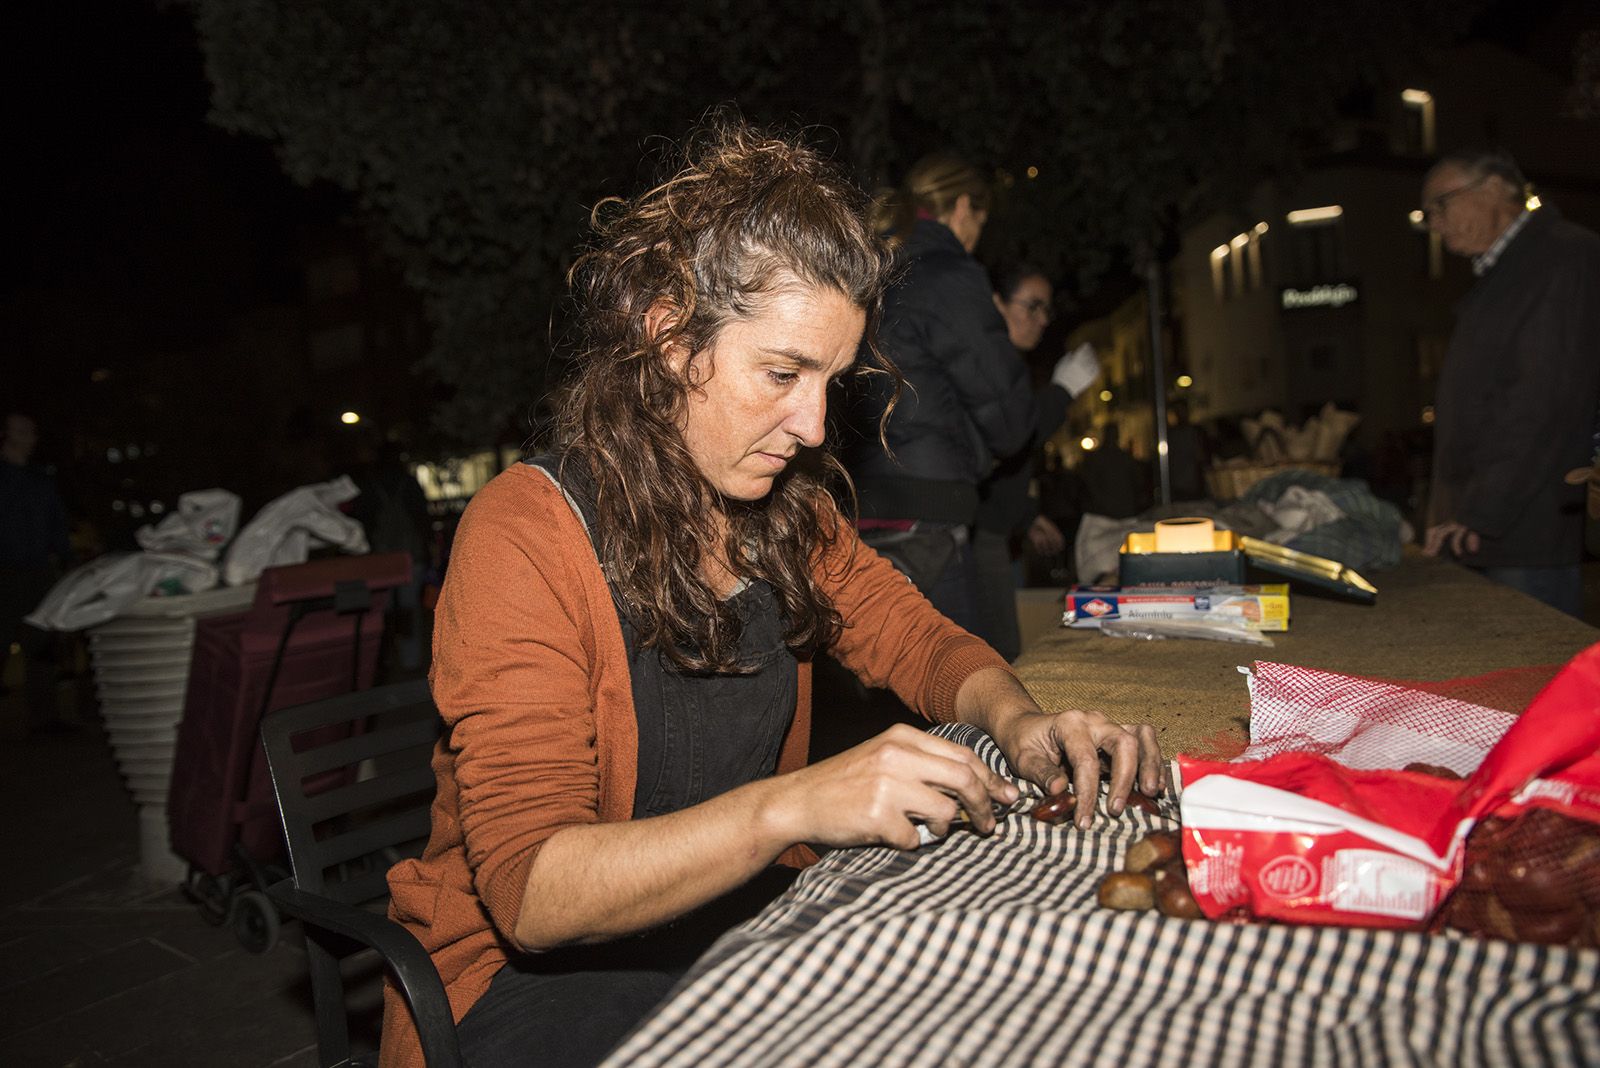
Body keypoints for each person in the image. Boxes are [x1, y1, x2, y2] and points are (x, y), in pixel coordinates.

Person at [381, 120, 1165, 1068]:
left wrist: (1020, 721)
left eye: (832, 380)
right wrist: (791, 807)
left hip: (729, 923)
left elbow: (914, 640)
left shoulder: (782, 509)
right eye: (784, 373)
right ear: (671, 337)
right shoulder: (523, 534)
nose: (812, 423)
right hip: (528, 990)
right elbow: (532, 894)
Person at [842, 153, 1036, 633]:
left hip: (861, 506)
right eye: (980, 221)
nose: (976, 237)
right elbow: (1005, 410)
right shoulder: (948, 274)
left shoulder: (872, 269)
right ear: (965, 206)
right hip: (929, 514)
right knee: (954, 687)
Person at [1420, 148, 1600, 617]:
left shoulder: (1561, 257)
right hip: (1497, 526)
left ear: (1496, 189)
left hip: (1524, 528)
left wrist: (1481, 512)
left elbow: (1543, 400)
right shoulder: (1510, 271)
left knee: (1534, 675)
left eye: (1441, 204)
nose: (1434, 223)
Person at [972, 263, 1073, 659]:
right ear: (998, 304)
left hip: (997, 529)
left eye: (1046, 309)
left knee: (1003, 649)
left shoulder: (1012, 366)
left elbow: (1007, 469)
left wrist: (1027, 515)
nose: (1042, 320)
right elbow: (1009, 441)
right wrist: (1062, 394)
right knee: (999, 655)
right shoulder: (987, 366)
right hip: (979, 533)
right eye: (1032, 307)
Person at [0, 411, 74, 736]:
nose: (31, 433)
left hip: (39, 570)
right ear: (6, 435)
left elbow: (55, 522)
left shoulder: (40, 477)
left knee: (42, 643)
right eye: (22, 429)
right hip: (4, 571)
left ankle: (43, 719)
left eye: (32, 428)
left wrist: (66, 558)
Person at [1078, 422, 1147, 520]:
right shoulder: (1098, 458)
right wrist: (1099, 500)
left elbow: (1136, 479)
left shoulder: (1124, 458)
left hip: (1124, 505)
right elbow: (1090, 482)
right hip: (1104, 508)